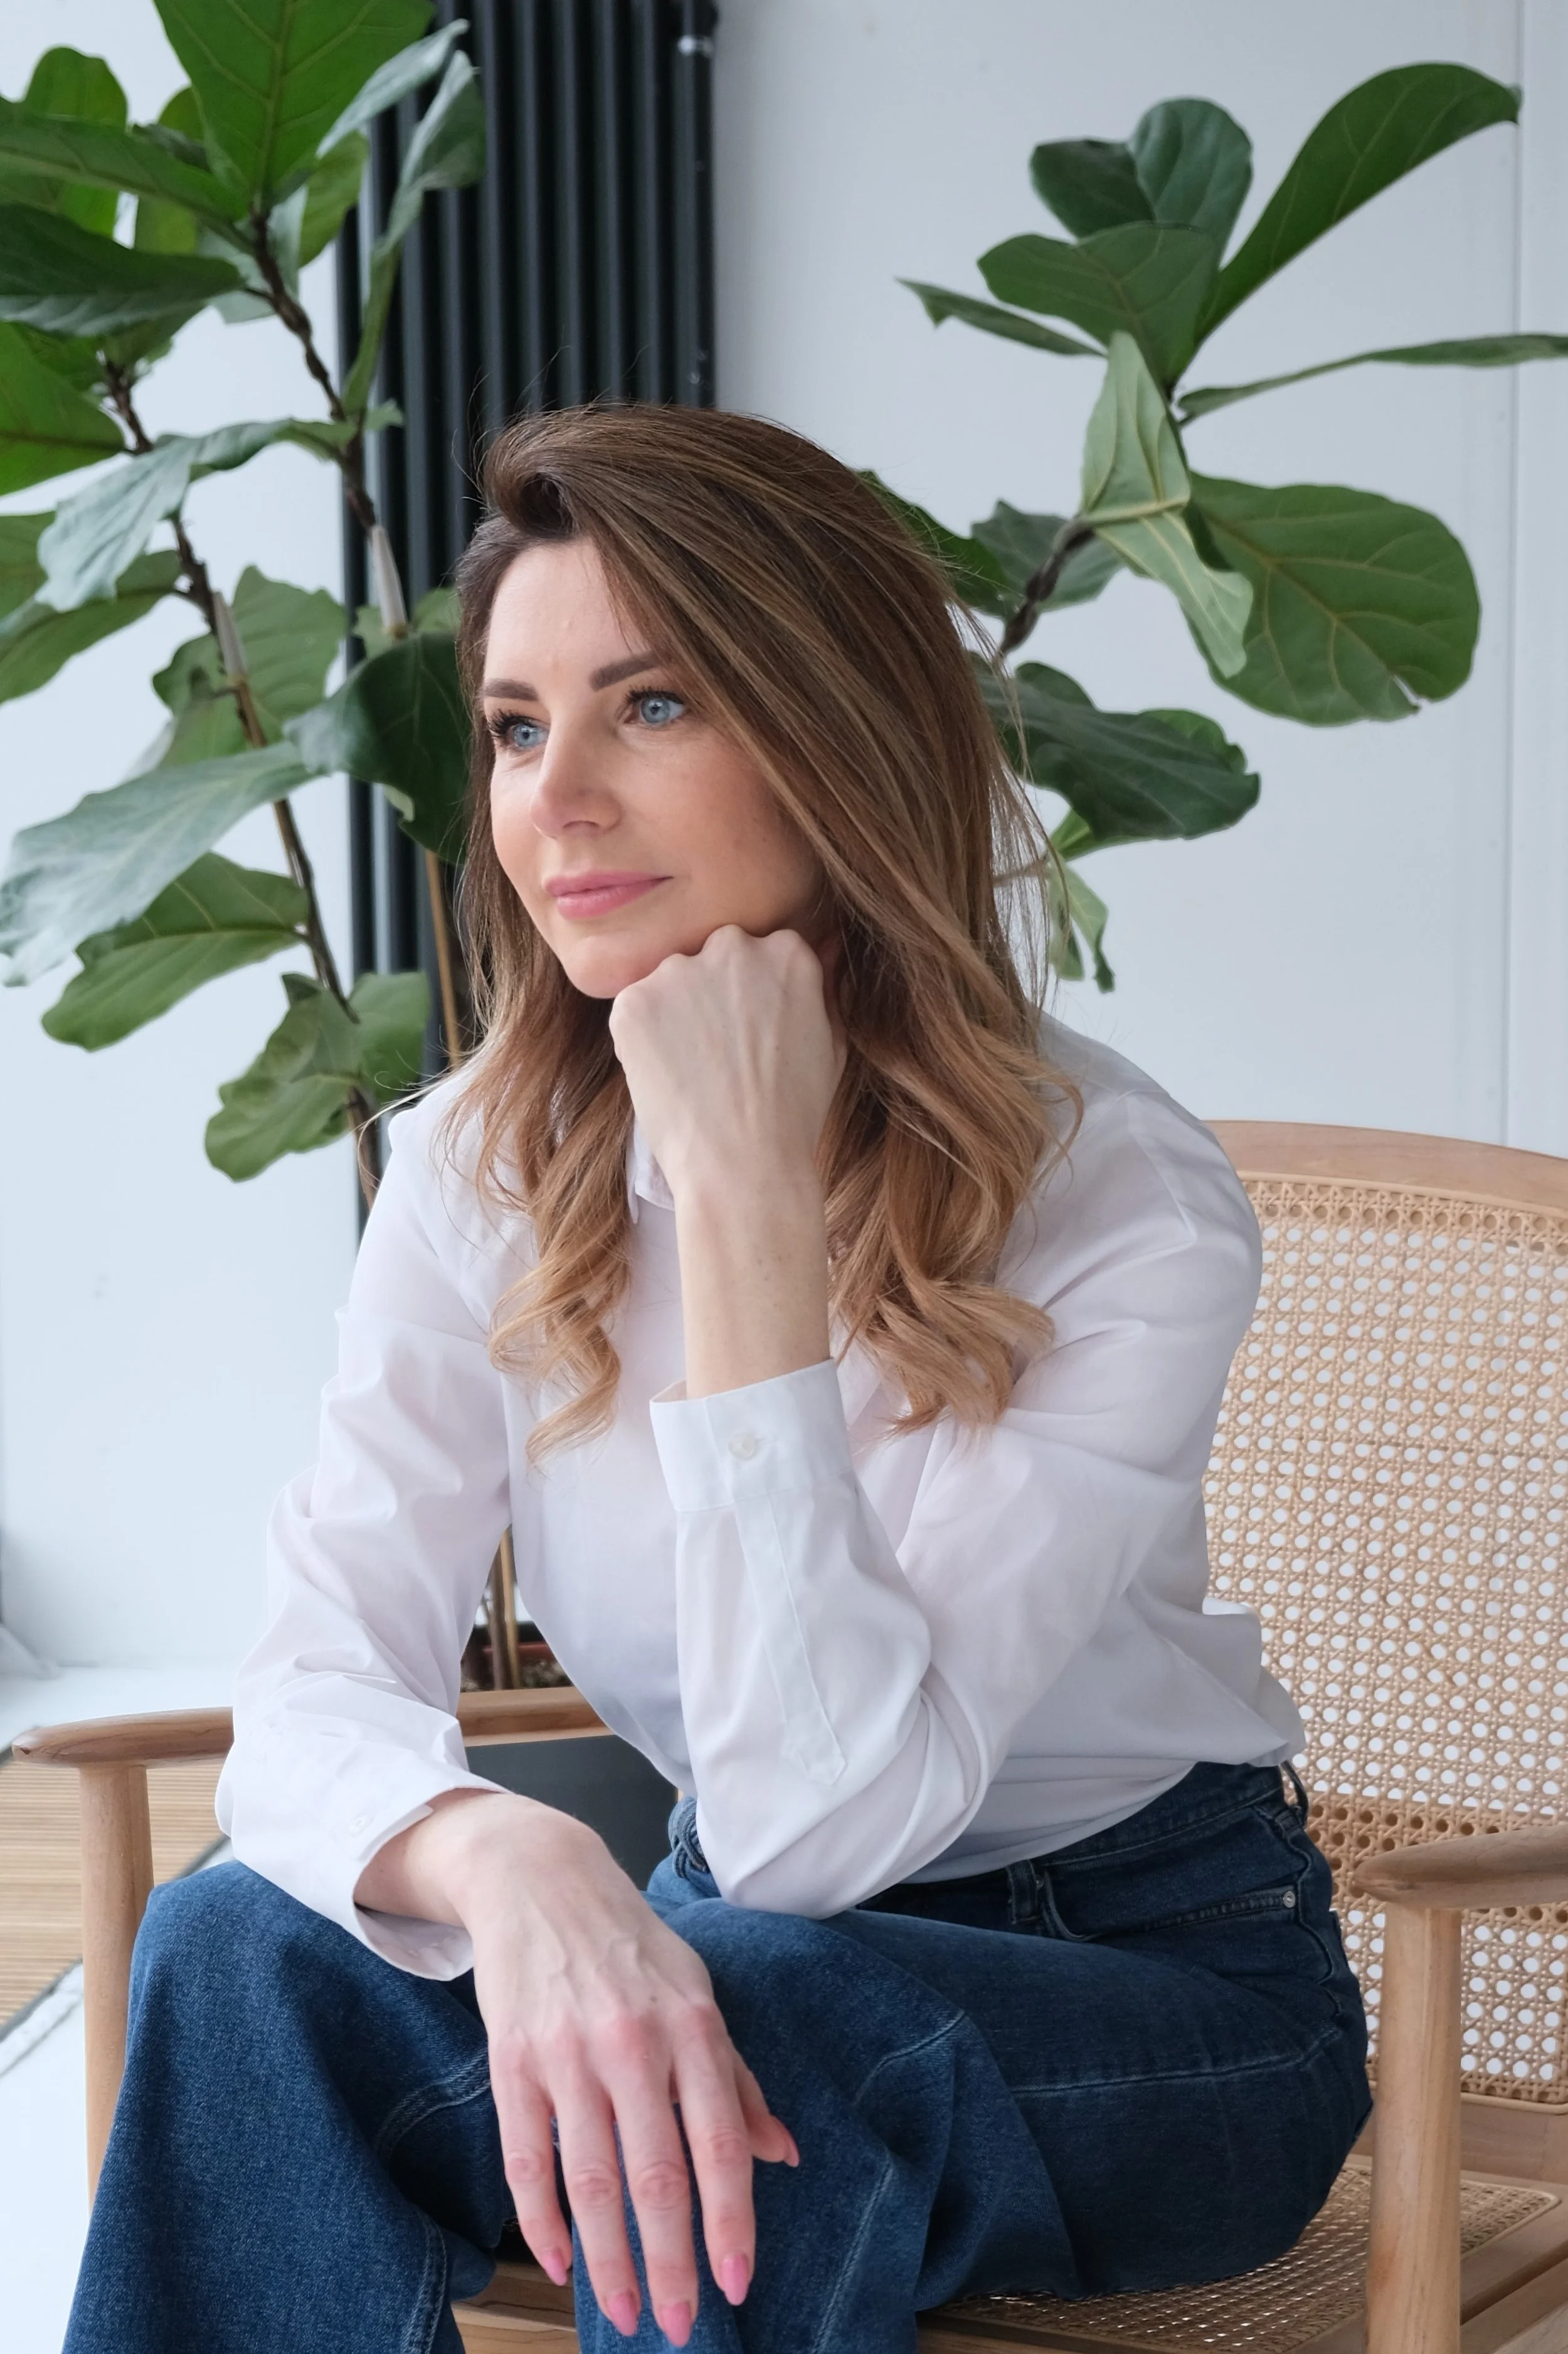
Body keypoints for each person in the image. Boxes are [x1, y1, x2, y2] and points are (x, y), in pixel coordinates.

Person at [65, 406, 1369, 2354]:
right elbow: (315, 1690)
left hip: (1147, 2000)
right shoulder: (475, 1167)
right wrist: (505, 1859)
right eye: (515, 728)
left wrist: (752, 1204)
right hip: (719, 1943)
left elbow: (808, 1837)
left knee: (755, 2005)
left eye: (650, 707)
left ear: (839, 738)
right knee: (240, 1946)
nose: (555, 801)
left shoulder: (1116, 1197)